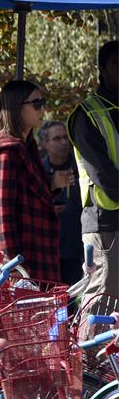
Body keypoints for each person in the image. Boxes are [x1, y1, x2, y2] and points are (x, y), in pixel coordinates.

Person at [0, 80, 60, 281]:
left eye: (43, 102)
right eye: (36, 104)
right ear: (17, 107)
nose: (43, 109)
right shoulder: (5, 153)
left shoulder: (26, 149)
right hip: (16, 263)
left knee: (46, 311)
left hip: (36, 253)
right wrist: (11, 262)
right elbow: (3, 214)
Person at [69, 40, 118, 297]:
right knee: (103, 298)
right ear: (102, 69)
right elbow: (102, 173)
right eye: (116, 65)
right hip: (104, 224)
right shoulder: (88, 113)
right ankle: (86, 339)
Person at [40, 120, 84, 284]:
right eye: (57, 139)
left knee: (72, 301)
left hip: (77, 249)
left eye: (66, 137)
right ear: (45, 144)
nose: (64, 142)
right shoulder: (38, 171)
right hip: (47, 249)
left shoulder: (82, 166)